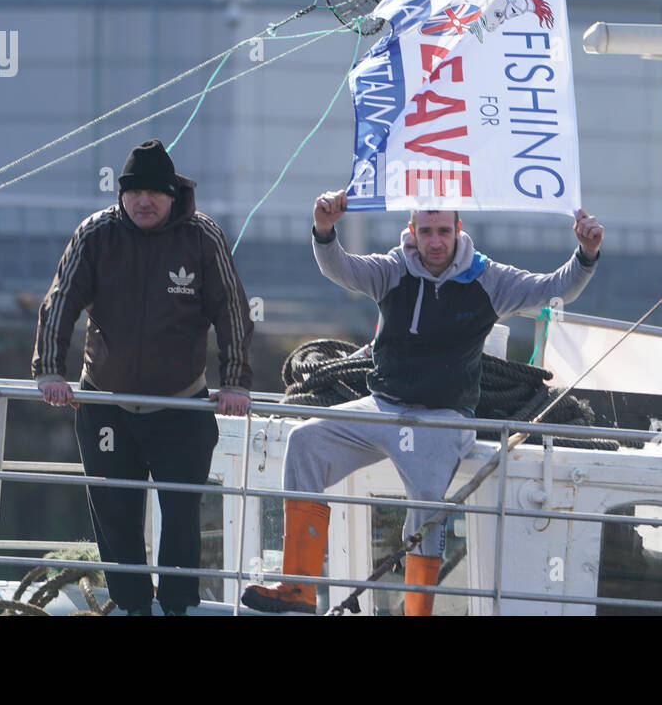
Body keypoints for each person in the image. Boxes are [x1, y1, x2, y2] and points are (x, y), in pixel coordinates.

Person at [242, 191, 603, 615]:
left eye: (444, 231)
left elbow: (554, 289)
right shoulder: (394, 269)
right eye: (427, 231)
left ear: (459, 231)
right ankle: (299, 589)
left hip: (445, 418)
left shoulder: (488, 278)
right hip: (382, 406)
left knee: (428, 503)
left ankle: (417, 611)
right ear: (412, 232)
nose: (435, 242)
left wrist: (586, 252)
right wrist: (324, 230)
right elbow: (342, 269)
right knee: (304, 441)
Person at [32, 139, 254, 615]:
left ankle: (176, 608)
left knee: (180, 516)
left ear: (173, 195)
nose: (143, 202)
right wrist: (50, 370)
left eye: (154, 192)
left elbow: (233, 312)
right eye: (133, 192)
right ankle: (132, 608)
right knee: (115, 517)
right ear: (121, 195)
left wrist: (234, 381)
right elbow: (60, 301)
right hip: (107, 406)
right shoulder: (95, 235)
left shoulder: (202, 238)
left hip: (181, 408)